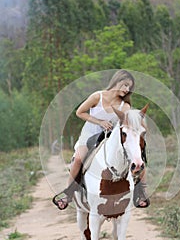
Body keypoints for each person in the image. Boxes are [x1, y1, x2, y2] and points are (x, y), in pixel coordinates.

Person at [53, 69, 150, 210]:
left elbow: (132, 123)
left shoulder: (125, 106)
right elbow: (80, 112)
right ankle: (68, 193)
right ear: (116, 81)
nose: (127, 89)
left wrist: (141, 126)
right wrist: (99, 122)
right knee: (79, 158)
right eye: (125, 85)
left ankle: (140, 192)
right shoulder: (97, 96)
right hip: (90, 134)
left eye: (129, 87)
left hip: (109, 137)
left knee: (137, 159)